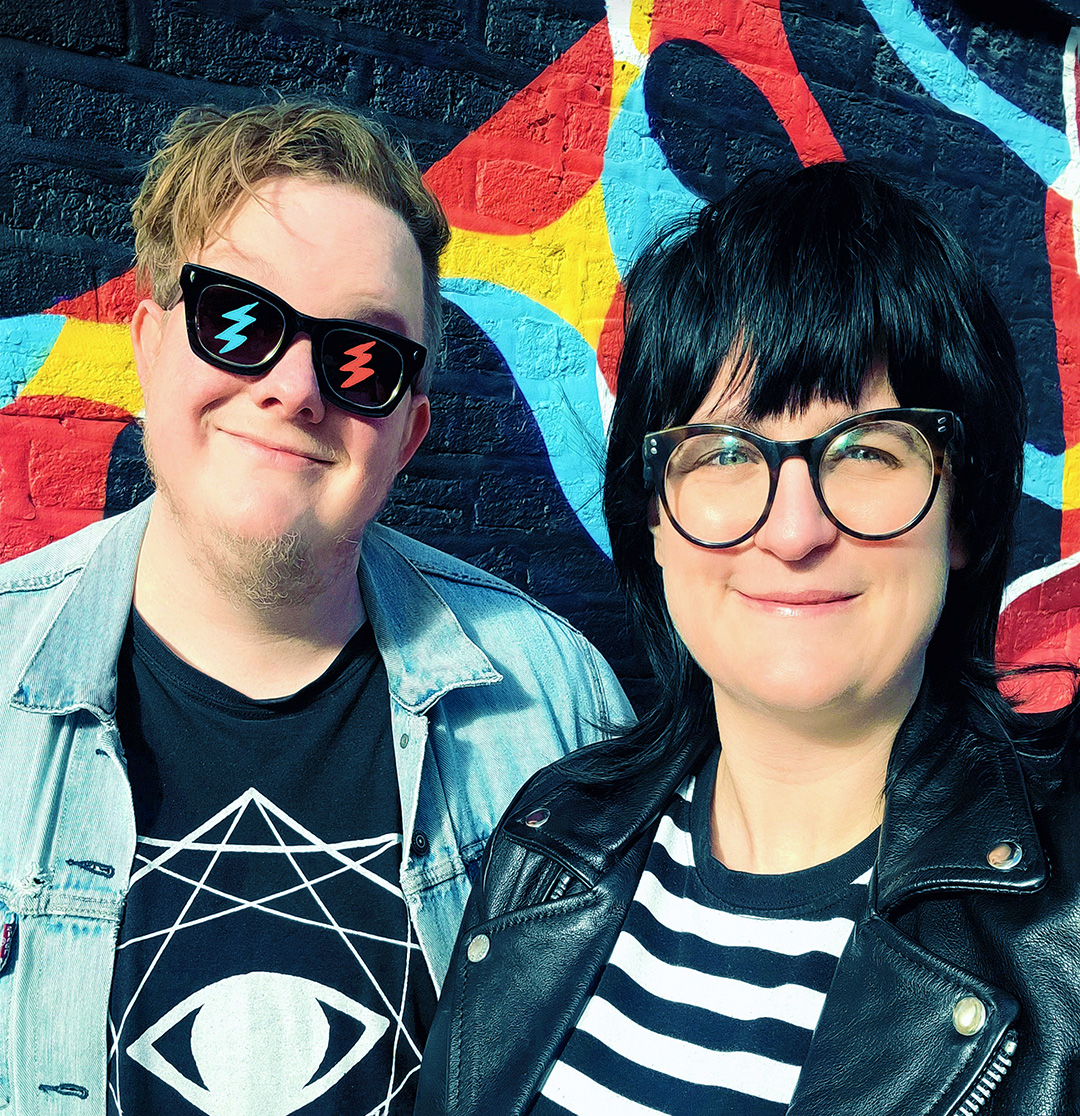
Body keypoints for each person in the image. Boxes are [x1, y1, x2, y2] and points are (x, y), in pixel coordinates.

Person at [0, 100, 630, 1115]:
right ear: (149, 348)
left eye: (363, 358)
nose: (296, 388)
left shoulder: (555, 709)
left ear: (408, 434)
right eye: (237, 320)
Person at [415, 161, 1080, 1116]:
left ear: (962, 513)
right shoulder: (552, 841)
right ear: (654, 516)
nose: (795, 530)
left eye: (868, 449)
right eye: (725, 452)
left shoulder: (1062, 926)